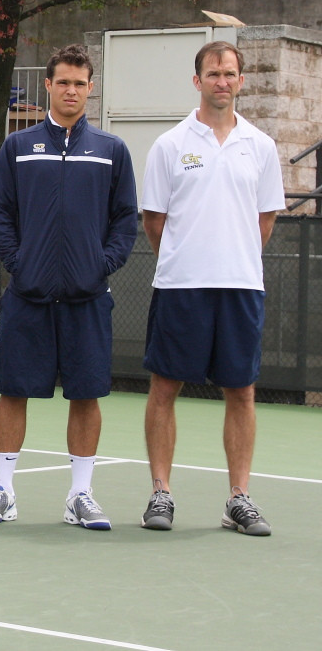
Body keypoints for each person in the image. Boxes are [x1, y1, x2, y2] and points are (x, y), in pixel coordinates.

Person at [0, 44, 137, 528]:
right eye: (62, 82)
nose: (71, 90)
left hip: (88, 298)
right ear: (48, 85)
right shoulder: (18, 147)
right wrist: (21, 265)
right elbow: (0, 213)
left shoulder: (112, 151)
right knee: (14, 392)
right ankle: (2, 491)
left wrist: (101, 264)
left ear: (90, 88)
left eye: (80, 83)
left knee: (86, 395)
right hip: (29, 295)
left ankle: (80, 496)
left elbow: (125, 219)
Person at [139, 41, 285, 536]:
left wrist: (232, 258)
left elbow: (263, 221)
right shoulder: (170, 144)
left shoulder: (261, 147)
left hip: (241, 287)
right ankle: (161, 493)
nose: (222, 81)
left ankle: (238, 500)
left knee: (241, 391)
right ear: (197, 81)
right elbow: (154, 221)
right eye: (212, 73)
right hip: (181, 287)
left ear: (241, 81)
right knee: (164, 387)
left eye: (230, 73)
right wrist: (188, 260)